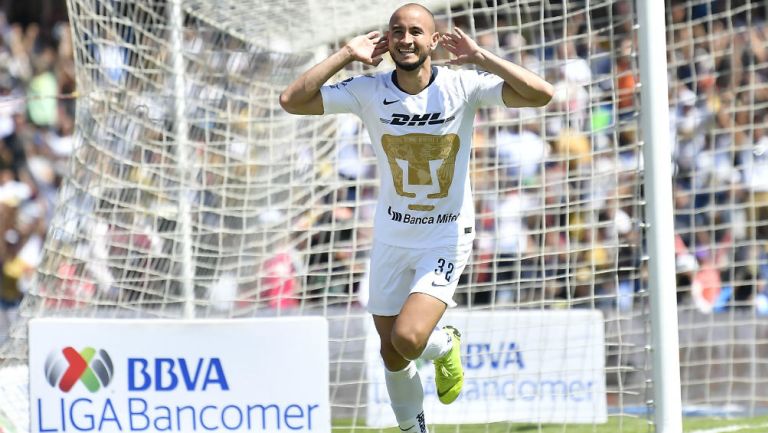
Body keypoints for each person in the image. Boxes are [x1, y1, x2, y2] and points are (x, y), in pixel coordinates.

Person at [279, 3, 552, 431]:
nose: (406, 40)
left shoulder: (463, 85)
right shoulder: (368, 89)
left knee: (408, 338)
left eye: (415, 32)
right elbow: (292, 101)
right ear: (386, 40)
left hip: (444, 237)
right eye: (398, 32)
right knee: (391, 353)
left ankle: (444, 346)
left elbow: (541, 94)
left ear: (433, 39)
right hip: (390, 236)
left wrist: (483, 57)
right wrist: (346, 54)